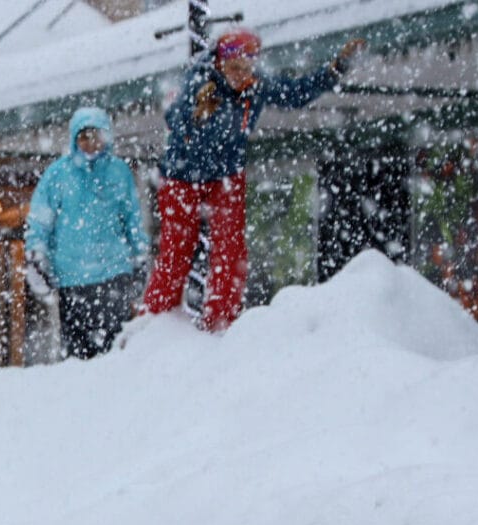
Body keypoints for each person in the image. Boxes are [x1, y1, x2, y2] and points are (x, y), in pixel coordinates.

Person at [139, 29, 366, 331]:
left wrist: (334, 70)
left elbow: (295, 94)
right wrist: (198, 110)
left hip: (226, 176)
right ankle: (156, 319)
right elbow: (177, 122)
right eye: (233, 67)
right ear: (220, 64)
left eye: (246, 68)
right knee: (178, 249)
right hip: (183, 176)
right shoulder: (200, 81)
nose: (239, 75)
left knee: (231, 249)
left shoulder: (255, 87)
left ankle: (221, 320)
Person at [24, 106, 149, 359]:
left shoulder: (119, 173)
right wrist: (37, 255)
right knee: (78, 358)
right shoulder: (58, 175)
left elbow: (132, 218)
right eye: (84, 136)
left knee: (117, 356)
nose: (91, 143)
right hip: (73, 280)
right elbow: (40, 221)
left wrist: (141, 255)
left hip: (114, 275)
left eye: (96, 135)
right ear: (74, 139)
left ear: (107, 137)